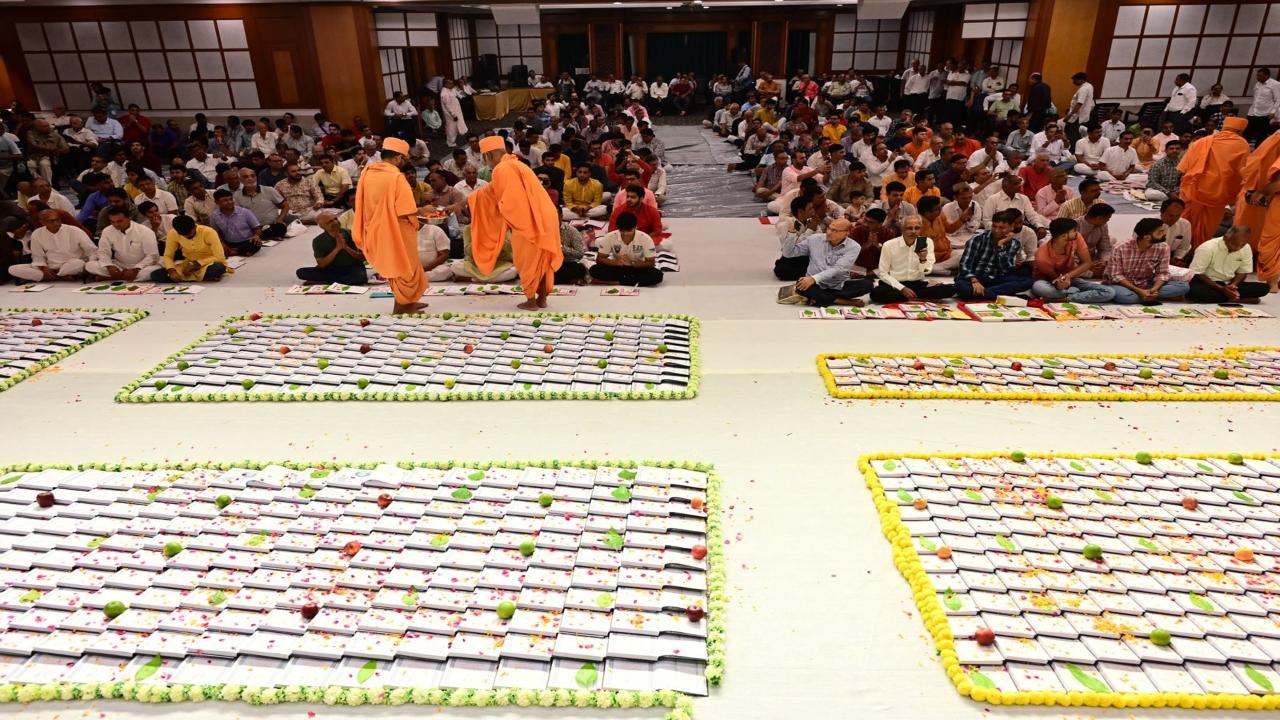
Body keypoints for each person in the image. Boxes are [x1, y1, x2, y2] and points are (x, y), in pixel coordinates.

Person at [468, 135, 563, 310]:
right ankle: (542, 298)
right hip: (546, 217)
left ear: (488, 155)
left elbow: (509, 202)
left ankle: (530, 300)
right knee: (542, 260)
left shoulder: (501, 169)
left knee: (526, 261)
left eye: (484, 157)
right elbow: (490, 192)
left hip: (528, 221)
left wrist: (510, 222)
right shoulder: (517, 164)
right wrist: (463, 202)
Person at [353, 138, 427, 313]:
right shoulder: (396, 177)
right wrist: (424, 209)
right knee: (404, 267)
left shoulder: (368, 172)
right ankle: (402, 306)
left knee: (396, 264)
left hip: (376, 227)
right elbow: (404, 211)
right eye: (404, 159)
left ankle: (408, 301)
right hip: (397, 228)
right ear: (399, 158)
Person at [1179, 117, 1250, 246]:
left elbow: (1185, 168)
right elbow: (1241, 173)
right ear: (1240, 131)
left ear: (1223, 128)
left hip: (1195, 188)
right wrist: (1234, 196)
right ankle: (1198, 249)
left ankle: (1181, 249)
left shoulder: (1203, 141)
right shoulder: (1242, 144)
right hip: (1218, 192)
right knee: (1208, 225)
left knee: (1188, 221)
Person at [779, 217, 873, 307]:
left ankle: (821, 298)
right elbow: (789, 253)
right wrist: (791, 233)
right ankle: (842, 301)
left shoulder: (854, 247)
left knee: (868, 285)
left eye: (835, 231)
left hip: (838, 285)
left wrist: (814, 278)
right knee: (801, 284)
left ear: (847, 233)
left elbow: (838, 269)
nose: (829, 232)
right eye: (829, 228)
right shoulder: (815, 239)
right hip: (814, 285)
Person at [871, 215, 956, 303]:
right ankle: (915, 296)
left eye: (917, 228)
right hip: (895, 283)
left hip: (916, 283)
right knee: (875, 293)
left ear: (921, 229)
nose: (913, 231)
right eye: (909, 228)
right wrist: (902, 288)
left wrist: (922, 259)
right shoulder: (889, 245)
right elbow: (883, 273)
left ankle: (908, 296)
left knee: (950, 289)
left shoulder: (927, 242)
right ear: (902, 229)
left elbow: (927, 271)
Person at [1103, 217, 1189, 304]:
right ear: (1147, 237)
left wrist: (1154, 289)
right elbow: (1116, 276)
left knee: (1183, 286)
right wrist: (1138, 290)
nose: (1164, 234)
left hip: (1146, 283)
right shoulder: (1120, 247)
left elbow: (1162, 273)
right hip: (1122, 284)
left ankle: (1146, 296)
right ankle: (1150, 296)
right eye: (1160, 232)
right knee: (1126, 297)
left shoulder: (1163, 247)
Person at [1030, 217, 1115, 303]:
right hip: (1048, 281)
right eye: (1074, 231)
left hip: (1071, 277)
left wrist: (1068, 276)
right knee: (1040, 288)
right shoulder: (1042, 255)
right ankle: (1076, 293)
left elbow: (1087, 263)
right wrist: (1062, 284)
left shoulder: (1076, 238)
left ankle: (1066, 298)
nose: (1076, 233)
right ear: (1064, 235)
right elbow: (1054, 279)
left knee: (1109, 292)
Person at [954, 210, 1033, 300]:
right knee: (961, 286)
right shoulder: (977, 239)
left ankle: (985, 294)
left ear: (1011, 227)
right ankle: (1005, 296)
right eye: (994, 226)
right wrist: (974, 281)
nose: (996, 230)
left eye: (1002, 228)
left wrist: (1001, 247)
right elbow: (964, 265)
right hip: (975, 277)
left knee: (1027, 281)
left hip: (995, 279)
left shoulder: (1014, 244)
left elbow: (1006, 269)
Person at [1186, 226, 1268, 303]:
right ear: (1225, 238)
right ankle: (1236, 299)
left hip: (1228, 283)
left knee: (1264, 288)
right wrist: (1221, 288)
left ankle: (1229, 297)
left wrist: (1233, 285)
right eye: (1234, 244)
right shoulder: (1207, 248)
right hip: (1207, 283)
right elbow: (1197, 273)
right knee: (1193, 292)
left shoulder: (1246, 247)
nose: (1237, 248)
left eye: (1242, 245)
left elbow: (1243, 271)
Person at [9, 209, 95, 282]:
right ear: (42, 222)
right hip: (50, 266)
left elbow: (92, 251)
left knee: (79, 264)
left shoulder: (74, 230)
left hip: (70, 265)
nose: (56, 223)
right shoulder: (37, 233)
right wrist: (43, 268)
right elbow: (38, 256)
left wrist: (90, 266)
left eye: (58, 219)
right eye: (52, 221)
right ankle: (60, 277)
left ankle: (50, 277)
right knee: (13, 269)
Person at [589, 211, 663, 287]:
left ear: (635, 227)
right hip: (618, 268)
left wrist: (631, 263)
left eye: (629, 230)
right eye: (622, 230)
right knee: (594, 270)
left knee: (657, 275)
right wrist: (615, 262)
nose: (625, 233)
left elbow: (651, 262)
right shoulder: (610, 236)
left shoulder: (645, 238)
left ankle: (617, 282)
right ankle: (632, 282)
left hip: (637, 267)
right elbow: (599, 259)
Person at [86, 207, 161, 281]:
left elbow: (152, 255)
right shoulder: (107, 230)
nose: (116, 224)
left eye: (120, 221)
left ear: (129, 218)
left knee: (148, 273)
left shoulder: (145, 231)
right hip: (120, 265)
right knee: (90, 265)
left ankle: (112, 278)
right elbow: (103, 251)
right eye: (112, 222)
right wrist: (109, 266)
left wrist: (136, 268)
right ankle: (124, 276)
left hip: (142, 266)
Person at [297, 211, 367, 286]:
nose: (335, 222)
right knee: (300, 272)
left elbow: (363, 257)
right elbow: (322, 264)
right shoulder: (318, 241)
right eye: (330, 222)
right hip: (331, 269)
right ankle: (336, 280)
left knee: (360, 278)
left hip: (353, 267)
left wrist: (346, 247)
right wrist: (337, 248)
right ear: (322, 227)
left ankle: (325, 280)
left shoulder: (351, 234)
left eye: (335, 219)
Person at [156, 214, 228, 283]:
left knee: (218, 268)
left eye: (190, 234)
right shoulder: (173, 233)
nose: (188, 237)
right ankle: (201, 277)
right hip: (188, 264)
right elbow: (168, 255)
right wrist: (172, 271)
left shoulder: (208, 232)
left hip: (208, 263)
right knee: (157, 274)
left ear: (195, 227)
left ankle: (189, 278)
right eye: (184, 235)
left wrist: (197, 264)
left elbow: (220, 257)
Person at [209, 189, 262, 256]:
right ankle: (240, 251)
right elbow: (216, 232)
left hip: (247, 241)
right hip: (228, 242)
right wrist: (222, 243)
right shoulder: (214, 216)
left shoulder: (245, 212)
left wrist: (256, 236)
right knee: (212, 247)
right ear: (217, 202)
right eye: (225, 200)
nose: (230, 202)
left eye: (231, 199)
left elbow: (257, 228)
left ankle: (234, 251)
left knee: (256, 244)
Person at [1248, 69, 1280, 145]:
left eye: (1259, 76)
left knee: (1261, 135)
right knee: (1247, 132)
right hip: (1253, 112)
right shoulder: (1257, 84)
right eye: (1257, 75)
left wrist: (1273, 112)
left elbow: (1278, 99)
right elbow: (1256, 98)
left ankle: (1258, 153)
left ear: (1266, 75)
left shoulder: (1275, 84)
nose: (1257, 77)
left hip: (1265, 113)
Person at [440, 79, 468, 147]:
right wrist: (453, 115)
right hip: (451, 114)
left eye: (452, 83)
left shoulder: (450, 90)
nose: (452, 85)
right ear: (445, 84)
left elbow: (459, 96)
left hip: (456, 111)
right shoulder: (444, 93)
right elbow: (447, 106)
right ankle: (451, 143)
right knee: (451, 128)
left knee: (455, 127)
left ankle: (452, 141)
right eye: (450, 83)